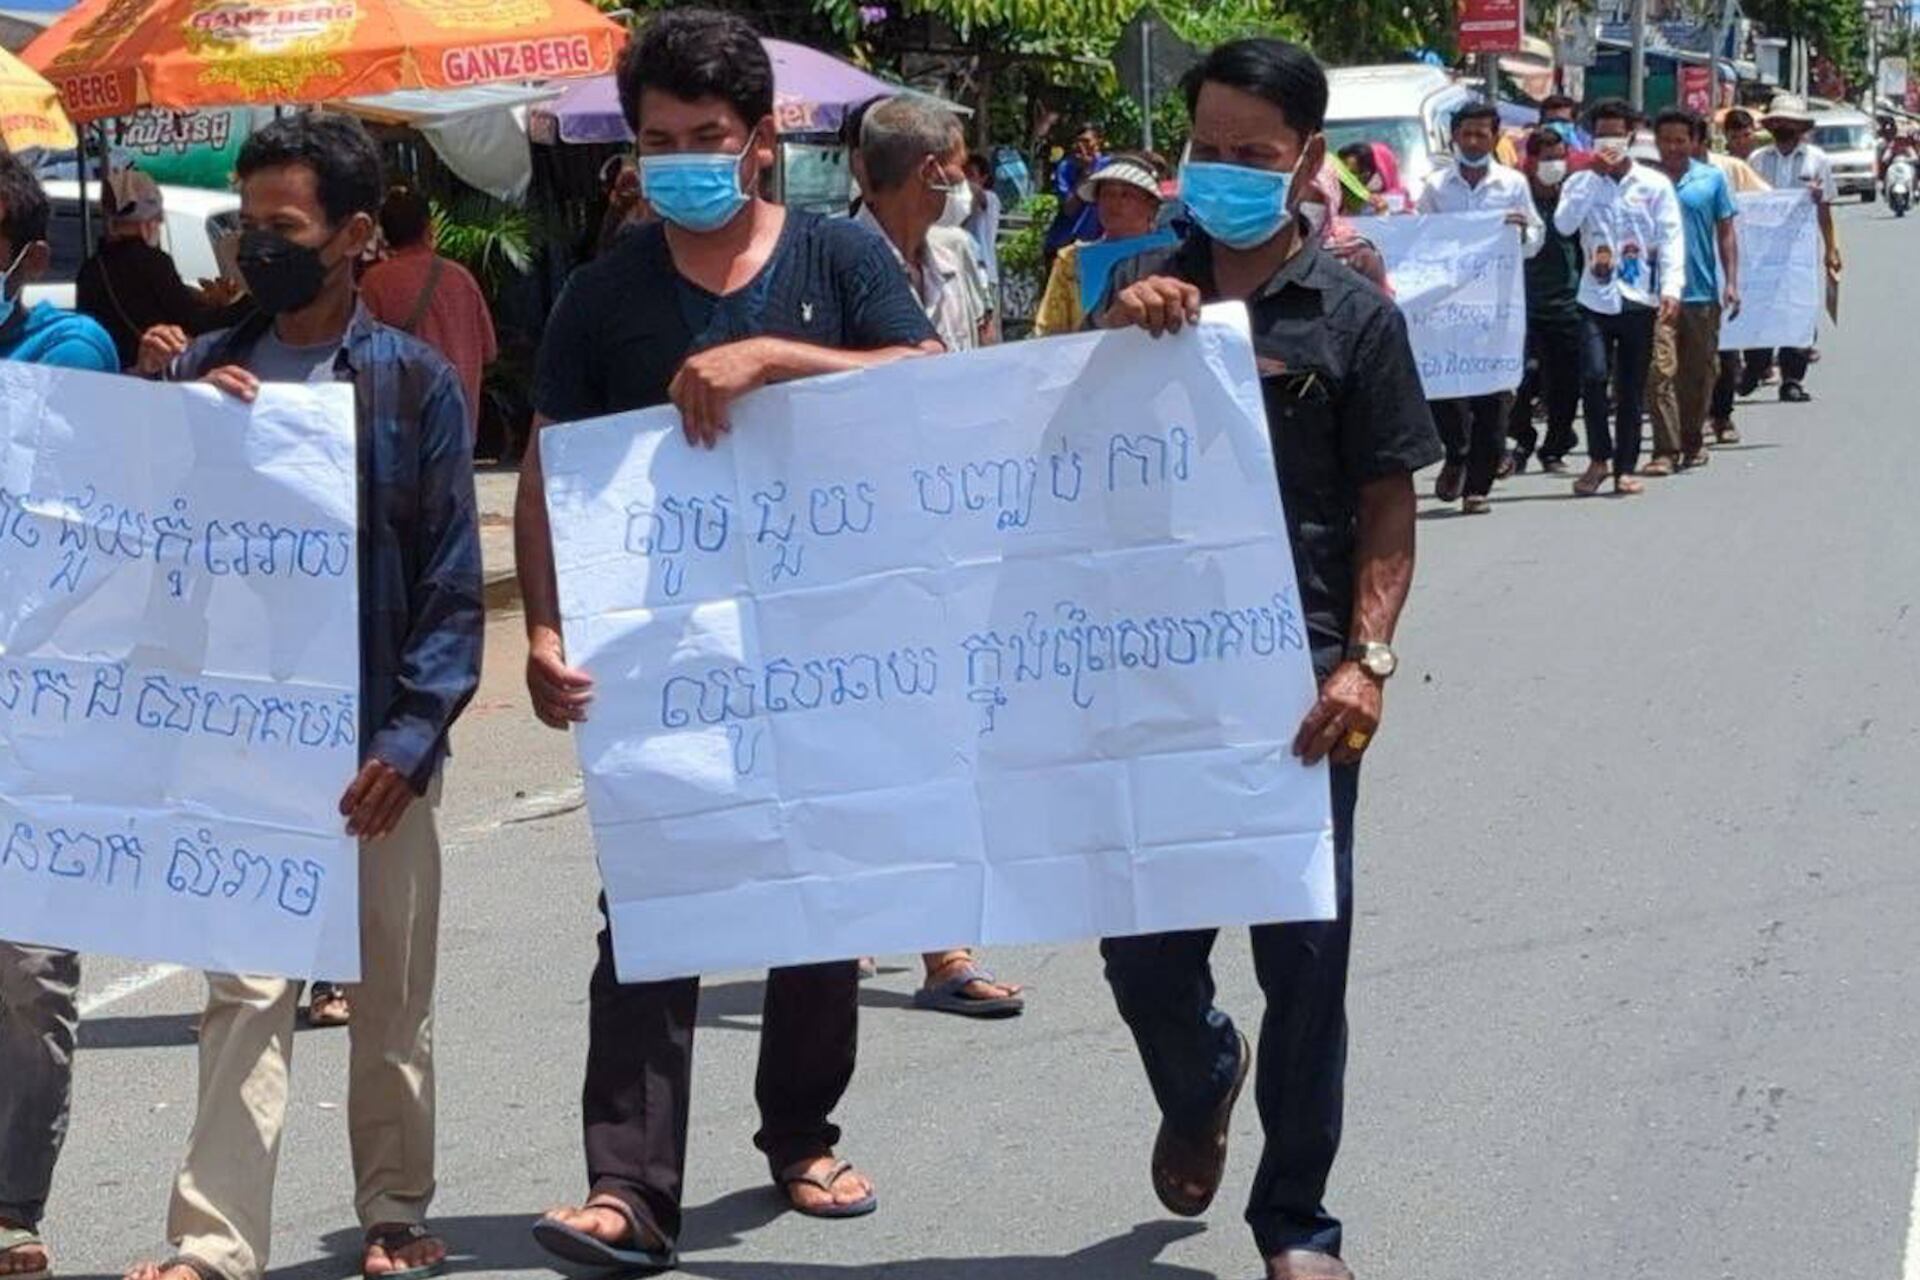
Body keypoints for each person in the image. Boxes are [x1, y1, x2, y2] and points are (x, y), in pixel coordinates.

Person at [514, 12, 943, 1270]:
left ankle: (802, 1131)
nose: (684, 159)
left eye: (709, 137)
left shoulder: (835, 259)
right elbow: (547, 474)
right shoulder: (604, 296)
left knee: (818, 887)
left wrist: (774, 355)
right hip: (663, 662)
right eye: (659, 141)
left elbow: (925, 382)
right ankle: (627, 1187)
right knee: (650, 905)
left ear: (763, 140)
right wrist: (542, 627)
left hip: (830, 641)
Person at [1095, 37, 1440, 1280]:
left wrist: (1369, 661)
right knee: (1142, 952)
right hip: (1141, 683)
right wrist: (1112, 334)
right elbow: (1043, 455)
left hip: (1299, 691)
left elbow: (1388, 505)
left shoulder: (1351, 315)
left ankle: (1297, 1220)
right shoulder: (1126, 289)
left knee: (1304, 963)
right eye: (1208, 150)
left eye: (1253, 155)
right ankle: (1199, 1077)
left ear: (1305, 161)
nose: (1225, 172)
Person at [123, 112, 483, 1280]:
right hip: (245, 744)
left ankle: (393, 1208)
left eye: (282, 229)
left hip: (377, 748)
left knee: (390, 995)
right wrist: (172, 427)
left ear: (356, 235)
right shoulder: (196, 372)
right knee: (244, 993)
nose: (255, 250)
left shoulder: (411, 387)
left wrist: (411, 737)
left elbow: (446, 586)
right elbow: (146, 542)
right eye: (244, 226)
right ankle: (214, 1242)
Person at [0, 148, 119, 1280]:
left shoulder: (65, 351)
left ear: (24, 257)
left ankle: (9, 1203)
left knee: (27, 968)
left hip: (34, 709)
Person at [1416, 102, 1543, 514]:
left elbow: (1537, 237)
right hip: (1447, 306)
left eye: (1481, 134)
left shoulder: (1512, 185)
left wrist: (1522, 231)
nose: (1473, 142)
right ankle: (1457, 453)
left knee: (1492, 394)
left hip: (1496, 307)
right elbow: (1420, 238)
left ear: (1494, 138)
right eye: (1466, 134)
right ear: (1454, 137)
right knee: (1445, 390)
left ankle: (1478, 487)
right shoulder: (1435, 186)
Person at [1553, 99, 1684, 498]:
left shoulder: (1654, 184)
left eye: (1616, 134)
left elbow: (1671, 237)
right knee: (1593, 377)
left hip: (1639, 296)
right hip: (1595, 296)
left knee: (1630, 387)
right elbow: (1563, 225)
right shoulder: (1579, 182)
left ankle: (1624, 467)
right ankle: (1598, 458)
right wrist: (1592, 177)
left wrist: (1671, 288)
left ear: (1630, 136)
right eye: (1601, 134)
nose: (1609, 142)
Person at [856, 95, 996, 355]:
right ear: (930, 171)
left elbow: (983, 347)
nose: (963, 180)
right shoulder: (837, 264)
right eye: (960, 166)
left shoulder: (956, 252)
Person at [361, 185, 498, 443]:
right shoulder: (462, 278)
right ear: (429, 227)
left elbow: (362, 358)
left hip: (404, 430)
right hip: (460, 428)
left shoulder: (375, 282)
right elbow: (489, 350)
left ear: (385, 232)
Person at [1645, 107, 1739, 475]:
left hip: (1701, 293)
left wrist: (1731, 281)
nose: (1672, 147)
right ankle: (1665, 450)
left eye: (1680, 140)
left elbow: (1726, 233)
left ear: (1695, 142)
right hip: (1657, 294)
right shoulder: (1647, 183)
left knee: (1699, 374)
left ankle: (1692, 439)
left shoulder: (1711, 180)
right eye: (1666, 140)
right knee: (1659, 372)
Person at [74, 168, 246, 370]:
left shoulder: (91, 268)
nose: (160, 222)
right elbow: (194, 322)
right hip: (152, 373)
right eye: (157, 217)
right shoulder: (151, 262)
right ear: (148, 221)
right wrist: (247, 305)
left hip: (109, 372)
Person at [1743, 94, 1840, 404]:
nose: (1784, 127)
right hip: (1761, 250)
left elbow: (1825, 208)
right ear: (1771, 126)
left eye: (1790, 123)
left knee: (1798, 310)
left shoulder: (1817, 160)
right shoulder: (1757, 160)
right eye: (1779, 122)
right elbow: (1745, 204)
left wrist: (1831, 248)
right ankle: (1756, 364)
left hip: (1799, 252)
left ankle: (1793, 378)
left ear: (1800, 127)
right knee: (1759, 307)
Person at [1504, 126, 1584, 476]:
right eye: (1546, 158)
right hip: (1523, 303)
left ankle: (1555, 446)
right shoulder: (1518, 197)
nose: (1554, 164)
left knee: (1567, 382)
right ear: (1531, 160)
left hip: (1569, 304)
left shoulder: (1573, 197)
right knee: (1520, 381)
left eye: (1559, 158)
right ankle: (1521, 439)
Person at [1032, 152, 1166, 337]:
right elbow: (1050, 331)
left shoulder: (1176, 253)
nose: (1114, 202)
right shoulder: (1071, 260)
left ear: (1151, 205)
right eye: (1107, 193)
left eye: (1126, 194)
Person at [1043, 121, 1106, 258]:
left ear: (1098, 142)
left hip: (1097, 243)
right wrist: (1085, 174)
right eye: (1078, 142)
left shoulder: (1108, 166)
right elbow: (1069, 209)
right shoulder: (1066, 167)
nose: (1081, 146)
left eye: (1086, 141)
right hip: (1065, 243)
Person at [961, 152, 1002, 314]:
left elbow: (979, 195)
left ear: (984, 178)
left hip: (984, 271)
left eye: (970, 174)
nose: (965, 178)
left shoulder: (991, 198)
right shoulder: (960, 203)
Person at [1334, 142, 1406, 215]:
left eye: (1354, 173)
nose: (1347, 179)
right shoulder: (1335, 199)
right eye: (1344, 171)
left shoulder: (1399, 204)